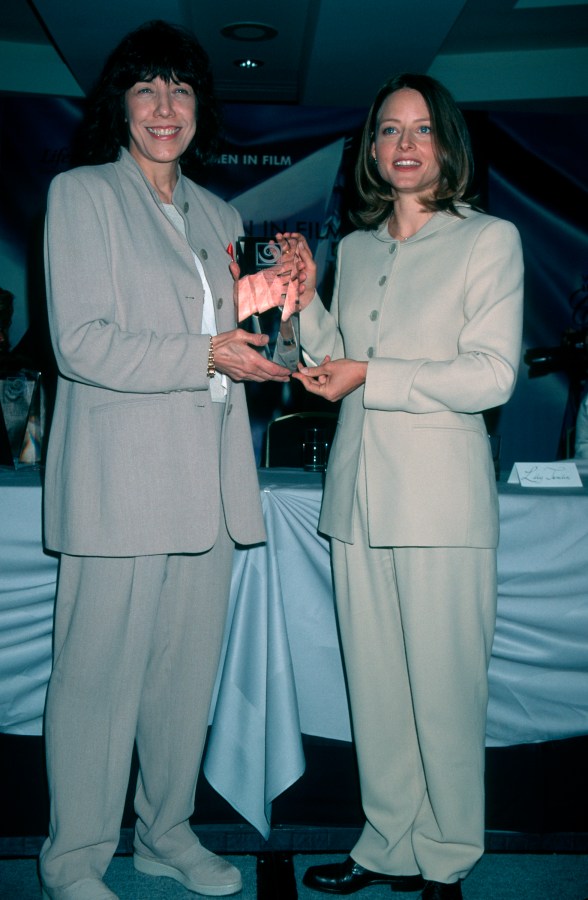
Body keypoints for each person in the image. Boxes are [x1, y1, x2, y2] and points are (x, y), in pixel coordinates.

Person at [39, 20, 292, 900]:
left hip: (209, 490)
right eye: (146, 88)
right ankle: (73, 860)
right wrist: (208, 355)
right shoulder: (82, 196)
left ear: (199, 108)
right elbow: (82, 344)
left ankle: (164, 833)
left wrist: (284, 310)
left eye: (180, 89)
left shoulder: (222, 216)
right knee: (95, 684)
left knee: (183, 687)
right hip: (119, 488)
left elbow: (248, 341)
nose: (164, 107)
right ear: (121, 103)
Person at [285, 74, 524, 899]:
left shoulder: (489, 240)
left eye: (422, 129)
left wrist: (370, 371)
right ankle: (386, 843)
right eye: (389, 130)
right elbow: (331, 366)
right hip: (357, 498)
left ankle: (448, 857)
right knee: (378, 691)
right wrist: (304, 298)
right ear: (372, 150)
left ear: (447, 144)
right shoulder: (353, 248)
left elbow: (491, 377)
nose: (406, 144)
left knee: (446, 696)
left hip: (442, 507)